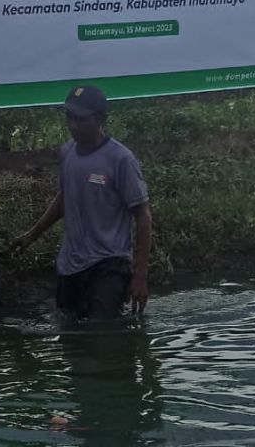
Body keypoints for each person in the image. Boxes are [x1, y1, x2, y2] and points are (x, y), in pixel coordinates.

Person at [11, 86, 153, 320]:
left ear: (100, 119)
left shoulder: (120, 159)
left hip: (110, 264)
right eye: (70, 118)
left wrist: (139, 276)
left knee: (102, 337)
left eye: (81, 119)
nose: (73, 125)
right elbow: (65, 197)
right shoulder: (67, 153)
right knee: (70, 335)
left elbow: (143, 215)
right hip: (72, 264)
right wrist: (32, 235)